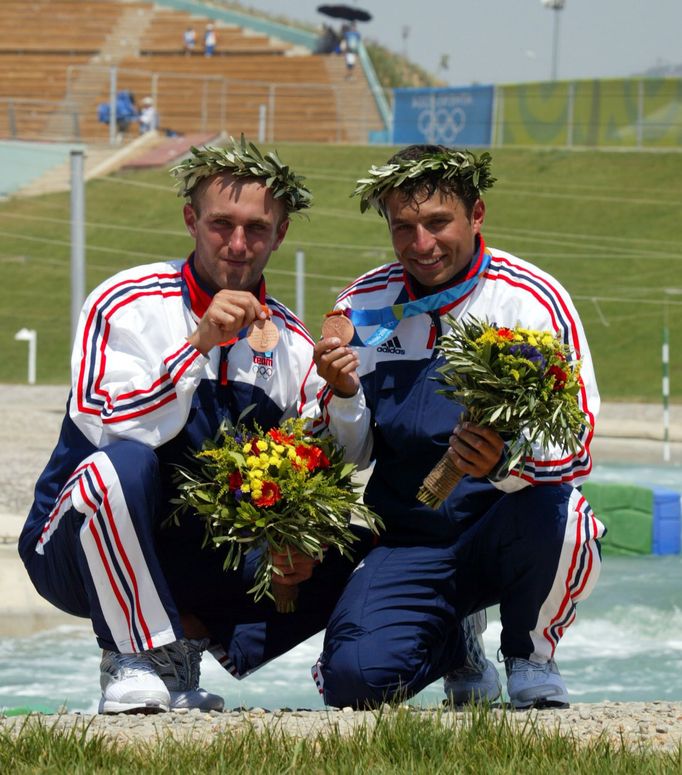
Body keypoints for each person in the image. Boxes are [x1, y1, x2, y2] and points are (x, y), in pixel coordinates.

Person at [18, 139, 367, 715]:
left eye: (256, 228)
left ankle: (184, 649)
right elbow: (110, 426)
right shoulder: (126, 301)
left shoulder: (294, 343)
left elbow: (336, 463)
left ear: (279, 235)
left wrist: (345, 396)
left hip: (197, 557)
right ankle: (132, 655)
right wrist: (198, 345)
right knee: (123, 465)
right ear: (190, 221)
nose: (237, 243)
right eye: (220, 224)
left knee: (356, 542)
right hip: (73, 543)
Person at [311, 144, 604, 710]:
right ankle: (456, 643)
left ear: (477, 214)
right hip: (411, 535)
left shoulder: (531, 300)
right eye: (404, 227)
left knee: (569, 515)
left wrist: (502, 463)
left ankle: (528, 653)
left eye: (438, 222)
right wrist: (343, 395)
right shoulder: (362, 305)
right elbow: (347, 455)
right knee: (352, 684)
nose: (421, 245)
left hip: (505, 524)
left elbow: (579, 444)